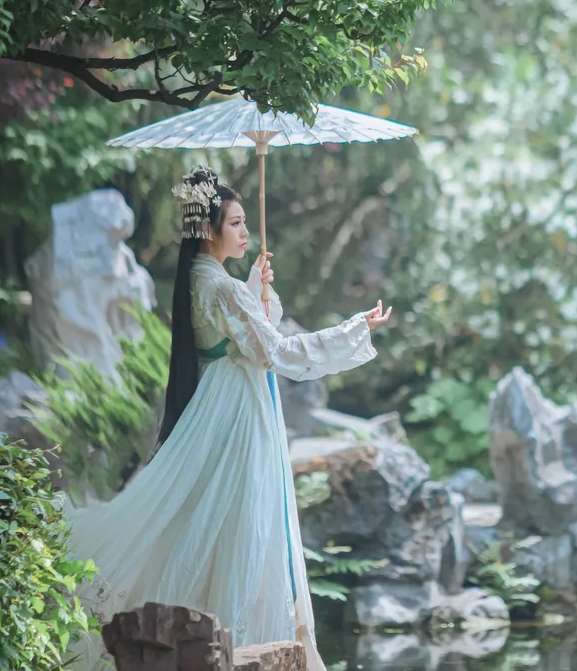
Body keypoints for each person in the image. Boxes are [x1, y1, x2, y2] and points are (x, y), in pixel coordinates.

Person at [66, 166, 392, 670]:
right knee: (244, 526)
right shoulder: (221, 287)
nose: (245, 232)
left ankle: (210, 640)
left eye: (243, 222)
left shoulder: (202, 280)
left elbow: (245, 335)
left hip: (223, 408)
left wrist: (254, 289)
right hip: (238, 417)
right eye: (235, 223)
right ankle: (236, 643)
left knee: (217, 524)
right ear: (209, 229)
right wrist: (354, 329)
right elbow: (276, 352)